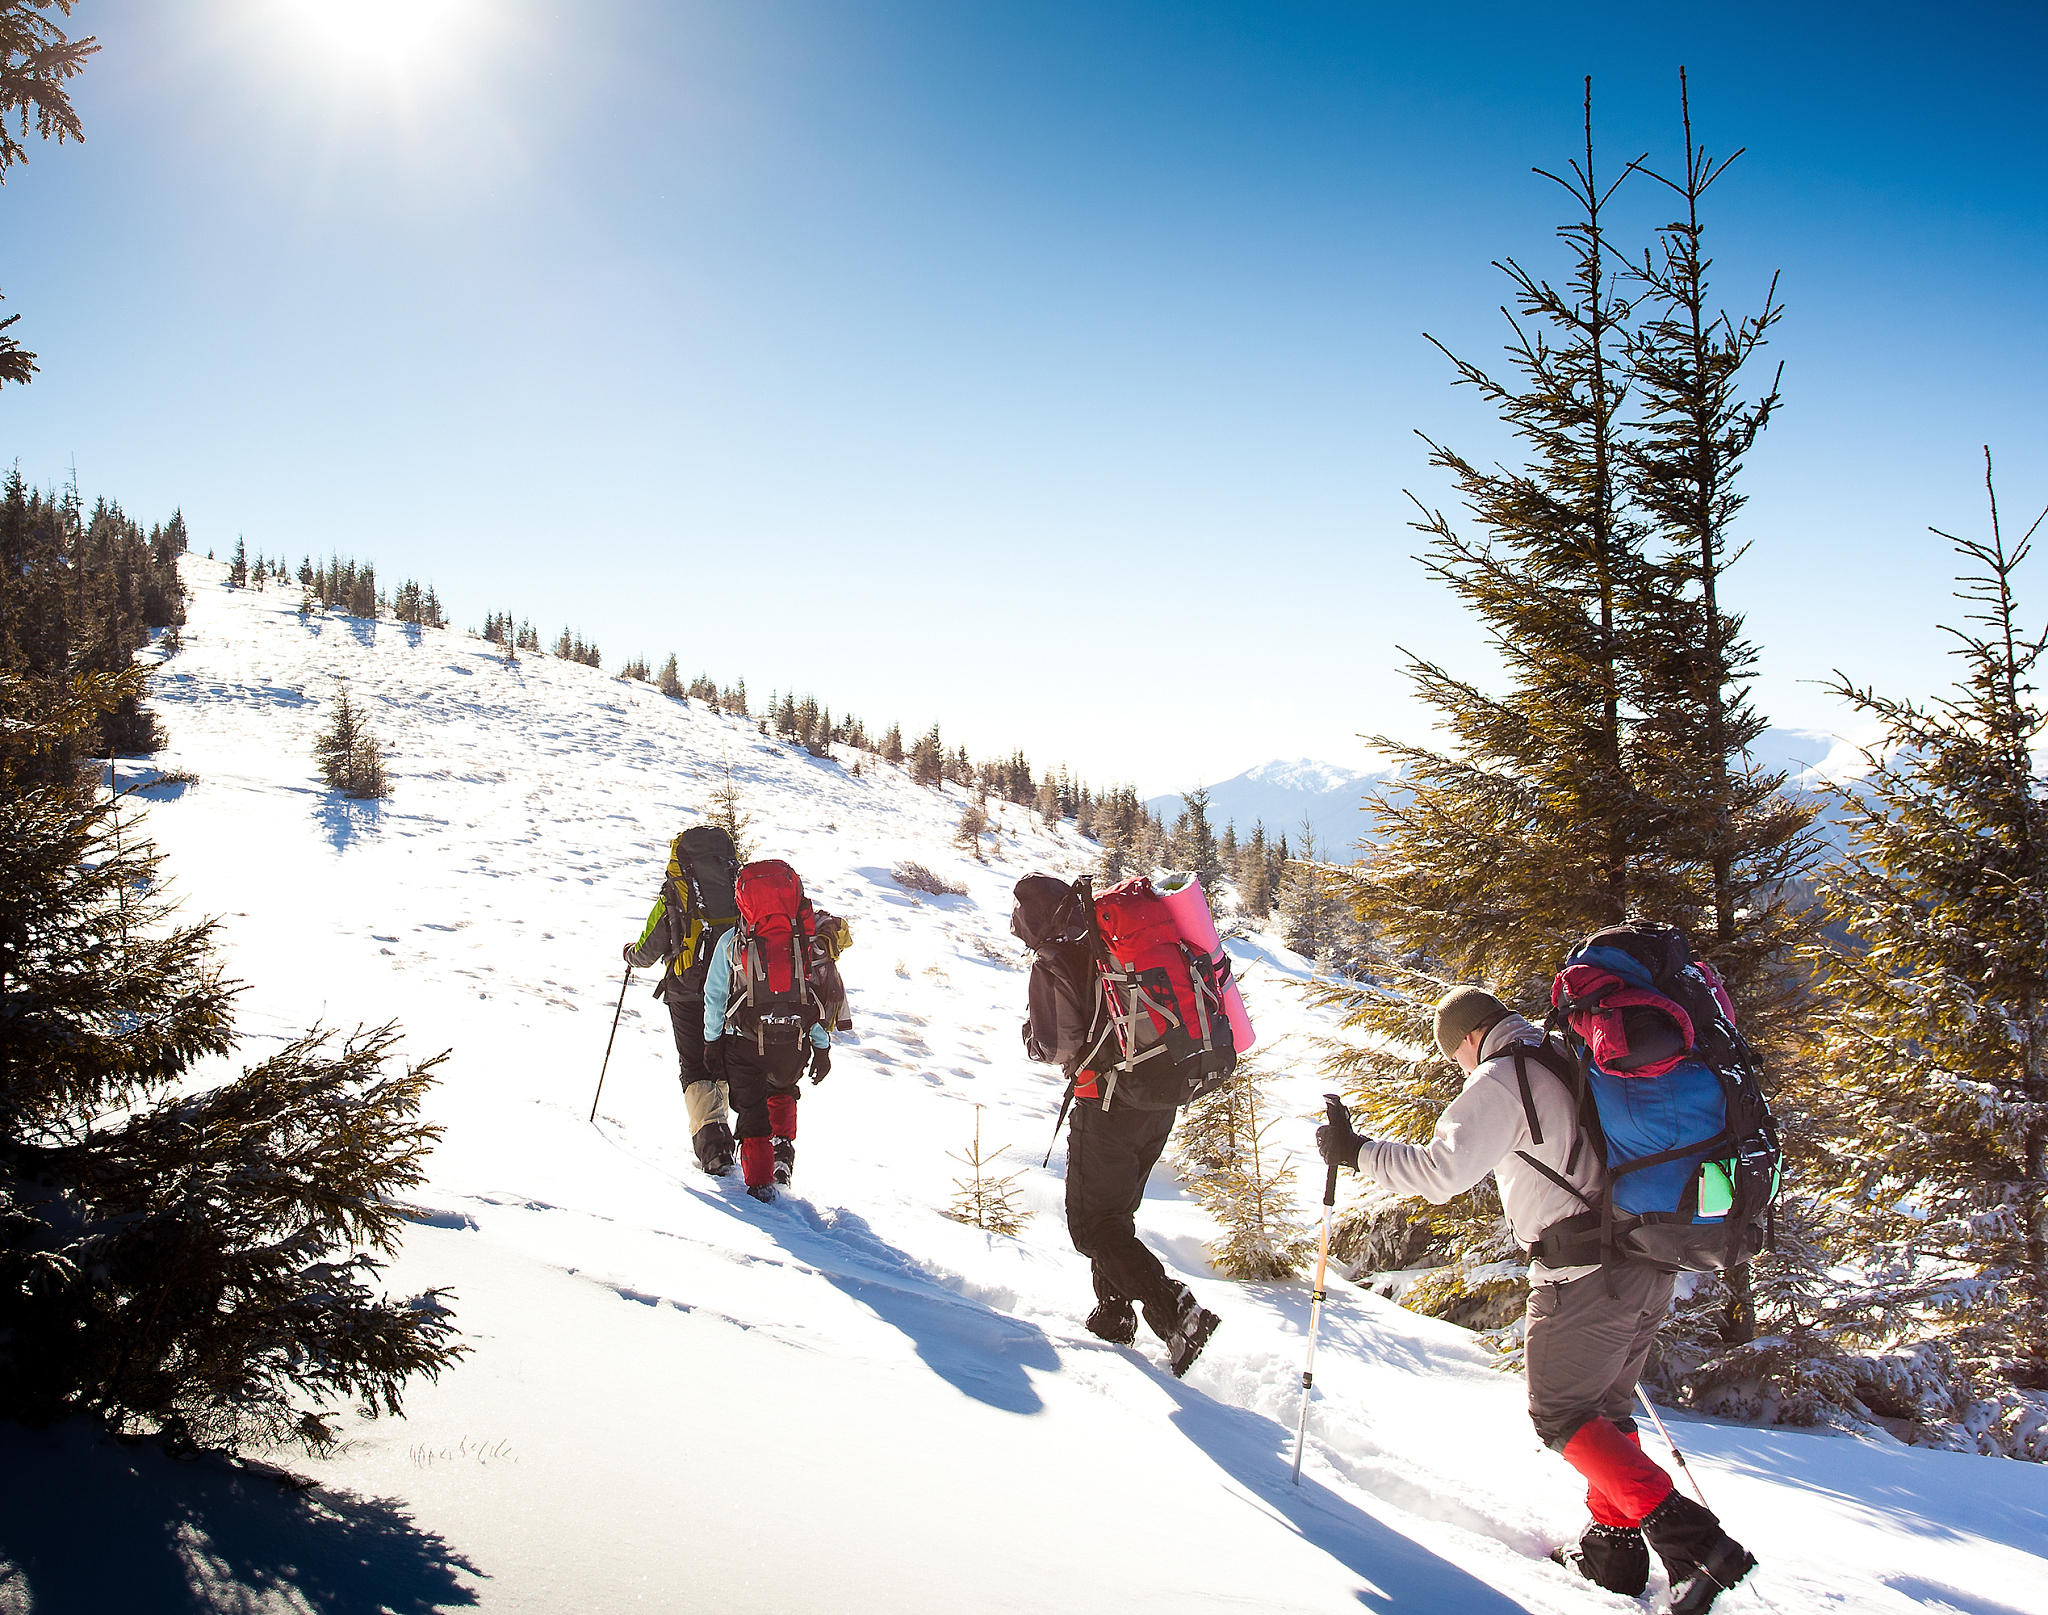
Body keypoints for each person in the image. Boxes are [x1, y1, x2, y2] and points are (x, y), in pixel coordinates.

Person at [1316, 986, 1757, 1615]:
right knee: (1601, 1412)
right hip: (1645, 1265)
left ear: (1468, 1039)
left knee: (1561, 1416)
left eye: (1456, 1057)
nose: (1460, 1069)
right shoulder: (1563, 1055)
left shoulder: (1502, 1077)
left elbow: (1442, 1173)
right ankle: (1615, 1554)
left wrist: (1357, 1151)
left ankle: (1696, 1546)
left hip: (1584, 1276)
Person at [1011, 874, 1221, 1378]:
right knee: (1113, 1217)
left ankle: (1177, 1312)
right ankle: (1113, 1316)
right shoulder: (1105, 945)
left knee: (1093, 1226)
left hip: (1107, 1106)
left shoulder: (1057, 960)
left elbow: (1056, 1046)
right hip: (1159, 1097)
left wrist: (1030, 1038)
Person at [702, 858, 832, 1204]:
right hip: (793, 1040)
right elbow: (813, 998)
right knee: (783, 1089)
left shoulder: (733, 941)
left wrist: (712, 1041)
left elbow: (714, 995)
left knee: (751, 1112)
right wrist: (821, 1047)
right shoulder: (803, 941)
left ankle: (759, 1188)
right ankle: (782, 1156)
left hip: (743, 1041)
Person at [624, 825, 740, 1176]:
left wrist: (630, 954)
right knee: (719, 1058)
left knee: (694, 1066)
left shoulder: (676, 892)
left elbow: (647, 951)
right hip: (732, 992)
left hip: (687, 990)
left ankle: (714, 1149)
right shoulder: (736, 890)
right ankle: (729, 1138)